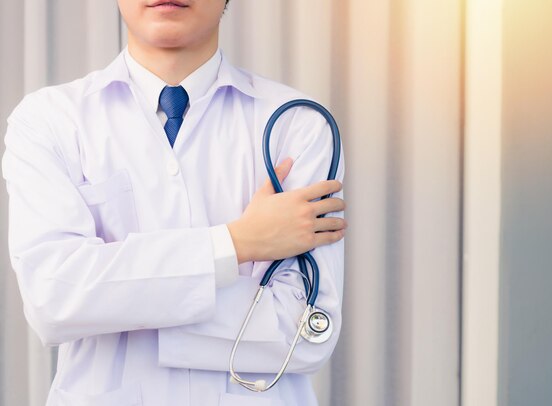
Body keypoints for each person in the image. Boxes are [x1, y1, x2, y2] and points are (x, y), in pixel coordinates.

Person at [2, 0, 346, 405]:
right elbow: (53, 299)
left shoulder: (298, 125)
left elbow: (306, 333)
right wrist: (237, 243)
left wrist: (115, 301)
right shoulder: (49, 120)